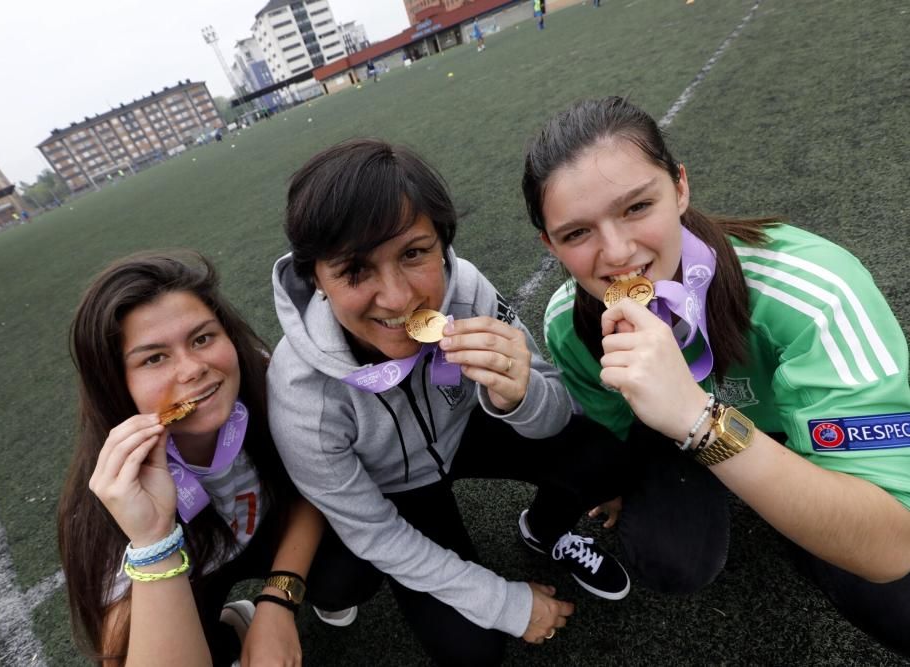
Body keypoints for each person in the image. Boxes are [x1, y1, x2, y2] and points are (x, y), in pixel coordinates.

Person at [522, 96, 910, 656]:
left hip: (786, 440)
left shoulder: (814, 292)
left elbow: (892, 542)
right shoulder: (569, 321)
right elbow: (611, 432)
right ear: (550, 245)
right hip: (674, 443)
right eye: (577, 233)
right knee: (672, 559)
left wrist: (701, 421)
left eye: (636, 207)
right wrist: (618, 483)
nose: (617, 252)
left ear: (680, 187)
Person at [268, 138, 634, 665]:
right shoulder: (300, 391)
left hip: (468, 429)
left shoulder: (466, 292)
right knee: (473, 651)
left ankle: (544, 530)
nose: (398, 298)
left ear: (442, 242)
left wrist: (519, 395)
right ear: (315, 279)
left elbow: (556, 409)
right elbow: (371, 529)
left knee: (606, 458)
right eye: (355, 270)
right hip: (396, 490)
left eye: (415, 254)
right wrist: (503, 602)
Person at [58, 251, 352, 666]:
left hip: (270, 530)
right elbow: (119, 652)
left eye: (202, 338)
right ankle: (230, 627)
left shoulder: (265, 383)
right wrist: (152, 538)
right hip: (193, 572)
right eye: (154, 358)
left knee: (348, 571)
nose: (193, 368)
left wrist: (279, 600)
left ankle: (302, 596)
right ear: (114, 384)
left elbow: (314, 486)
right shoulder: (111, 491)